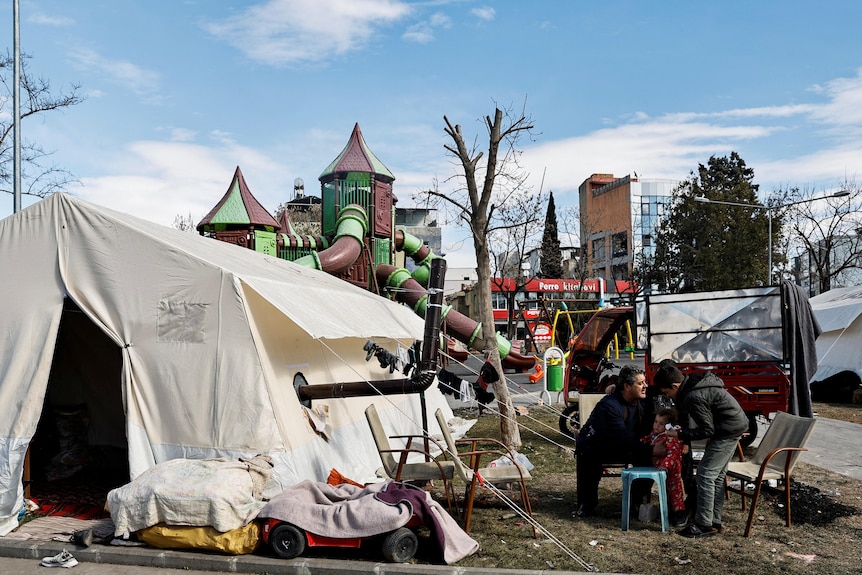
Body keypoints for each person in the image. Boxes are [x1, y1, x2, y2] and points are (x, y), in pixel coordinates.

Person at [660, 370, 748, 537]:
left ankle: (704, 525)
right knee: (717, 476)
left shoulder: (693, 396)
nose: (669, 397)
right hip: (733, 427)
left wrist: (679, 434)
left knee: (705, 474)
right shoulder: (696, 384)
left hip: (728, 431)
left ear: (675, 386)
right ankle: (714, 522)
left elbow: (706, 429)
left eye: (667, 392)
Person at [575, 366, 665, 517]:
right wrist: (652, 449)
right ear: (627, 387)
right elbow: (622, 439)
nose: (645, 386)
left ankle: (633, 502)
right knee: (589, 456)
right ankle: (587, 504)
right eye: (640, 383)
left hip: (628, 444)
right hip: (601, 445)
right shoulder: (610, 406)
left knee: (650, 461)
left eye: (645, 382)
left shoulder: (641, 397)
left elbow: (660, 389)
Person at [642, 407, 687, 527]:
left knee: (675, 491)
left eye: (661, 423)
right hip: (659, 468)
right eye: (656, 421)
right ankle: (667, 512)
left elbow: (673, 453)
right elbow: (647, 439)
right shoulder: (655, 434)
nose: (656, 425)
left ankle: (679, 513)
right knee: (664, 491)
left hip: (671, 469)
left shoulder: (671, 436)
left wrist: (665, 465)